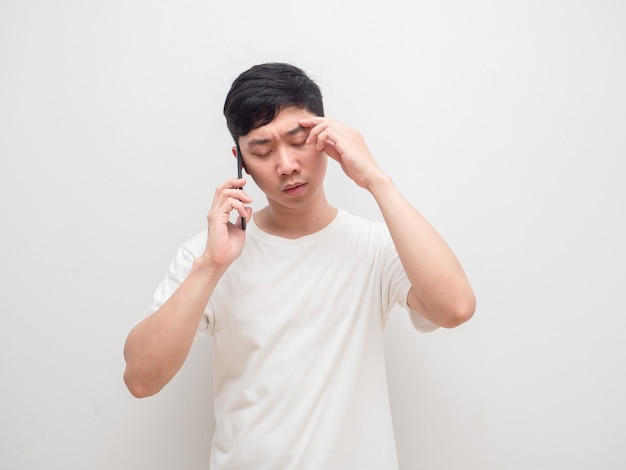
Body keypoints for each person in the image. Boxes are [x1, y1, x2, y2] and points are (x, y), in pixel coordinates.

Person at [123, 62, 475, 469]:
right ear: (240, 161)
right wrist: (211, 265)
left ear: (326, 139)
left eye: (298, 140)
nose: (286, 164)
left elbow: (456, 308)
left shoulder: (376, 245)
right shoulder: (210, 256)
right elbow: (140, 378)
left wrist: (377, 179)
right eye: (262, 150)